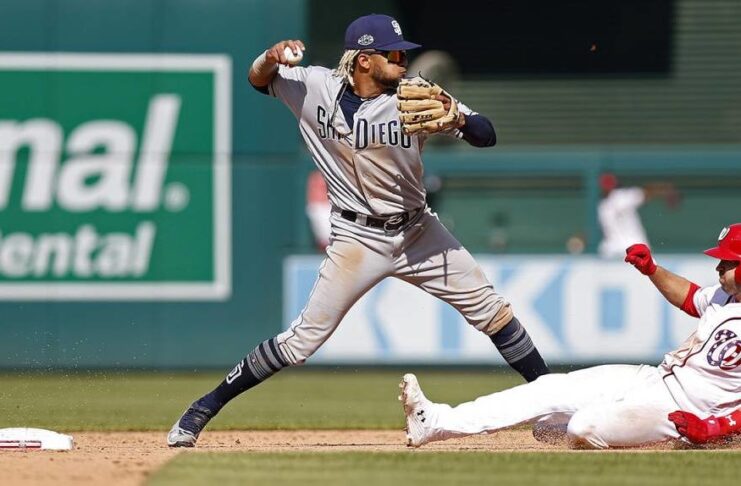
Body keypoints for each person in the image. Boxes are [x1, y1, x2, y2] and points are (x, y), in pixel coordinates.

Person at [167, 14, 550, 447]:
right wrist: (270, 57)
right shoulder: (314, 86)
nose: (402, 61)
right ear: (364, 59)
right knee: (300, 343)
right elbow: (258, 79)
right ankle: (201, 409)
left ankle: (555, 404)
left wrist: (457, 120)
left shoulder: (415, 95)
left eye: (403, 54)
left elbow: (487, 134)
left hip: (418, 232)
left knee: (495, 314)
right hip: (357, 239)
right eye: (393, 54)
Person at [400, 223, 741, 449]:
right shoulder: (726, 296)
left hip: (684, 411)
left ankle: (604, 428)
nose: (718, 267)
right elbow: (690, 297)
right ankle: (435, 423)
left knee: (582, 428)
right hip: (655, 378)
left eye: (727, 262)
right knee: (549, 388)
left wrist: (713, 429)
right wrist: (652, 270)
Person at [597, 173, 680, 258]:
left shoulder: (619, 197)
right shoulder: (610, 202)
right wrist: (668, 189)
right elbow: (647, 192)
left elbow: (646, 192)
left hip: (624, 250)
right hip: (621, 250)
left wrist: (667, 189)